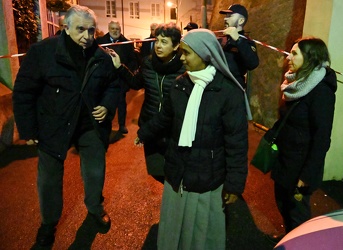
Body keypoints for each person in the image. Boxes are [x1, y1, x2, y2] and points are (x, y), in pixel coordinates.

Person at [12, 5, 119, 249]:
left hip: (89, 124)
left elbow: (113, 85)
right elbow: (24, 92)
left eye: (92, 31)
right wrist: (28, 130)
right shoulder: (42, 52)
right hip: (53, 125)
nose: (87, 37)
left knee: (94, 172)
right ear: (65, 27)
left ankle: (95, 207)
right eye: (81, 29)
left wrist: (107, 105)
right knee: (49, 180)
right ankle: (48, 225)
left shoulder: (100, 56)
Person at [134, 29, 249, 250]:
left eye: (187, 53)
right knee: (175, 227)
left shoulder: (227, 91)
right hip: (178, 171)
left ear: (205, 54)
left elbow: (237, 142)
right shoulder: (181, 84)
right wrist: (143, 133)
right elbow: (165, 117)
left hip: (207, 177)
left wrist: (234, 185)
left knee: (200, 234)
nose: (182, 58)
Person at [267, 37, 337, 242]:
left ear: (310, 57)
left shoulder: (321, 91)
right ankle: (290, 239)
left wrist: (306, 175)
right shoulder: (295, 84)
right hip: (285, 159)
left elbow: (322, 137)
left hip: (301, 165)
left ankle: (302, 243)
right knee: (282, 203)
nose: (289, 57)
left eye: (295, 53)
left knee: (298, 212)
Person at [109, 22, 185, 183]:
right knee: (156, 170)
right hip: (150, 124)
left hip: (174, 128)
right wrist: (119, 67)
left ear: (176, 45)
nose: (158, 45)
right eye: (157, 40)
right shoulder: (148, 63)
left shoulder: (184, 67)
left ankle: (174, 205)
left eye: (164, 42)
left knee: (176, 172)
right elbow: (136, 83)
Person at [97, 21, 138, 134]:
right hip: (105, 78)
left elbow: (132, 60)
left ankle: (122, 125)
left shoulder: (127, 43)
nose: (115, 31)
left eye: (117, 29)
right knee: (106, 102)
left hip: (121, 78)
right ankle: (106, 125)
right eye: (113, 29)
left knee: (121, 103)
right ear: (108, 29)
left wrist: (126, 71)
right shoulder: (100, 42)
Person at [219, 4, 259, 88]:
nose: (225, 18)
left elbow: (253, 63)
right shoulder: (222, 40)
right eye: (226, 15)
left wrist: (238, 40)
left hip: (234, 88)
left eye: (230, 16)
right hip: (218, 86)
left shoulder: (246, 42)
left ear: (241, 21)